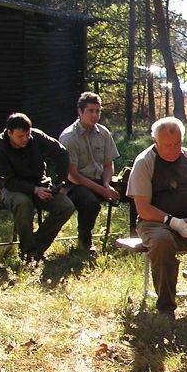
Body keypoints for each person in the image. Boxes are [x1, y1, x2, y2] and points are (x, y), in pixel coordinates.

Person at [126, 117, 187, 316]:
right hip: (155, 222)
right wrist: (174, 222)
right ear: (155, 142)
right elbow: (143, 208)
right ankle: (166, 306)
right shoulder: (145, 162)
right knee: (163, 242)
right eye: (167, 145)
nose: (173, 149)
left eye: (177, 143)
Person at [0, 112, 75, 263]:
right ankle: (29, 253)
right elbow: (8, 181)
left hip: (39, 184)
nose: (25, 139)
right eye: (20, 136)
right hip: (10, 189)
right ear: (9, 133)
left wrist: (61, 183)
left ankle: (36, 246)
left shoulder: (36, 136)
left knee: (65, 206)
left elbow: (62, 154)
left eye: (27, 135)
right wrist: (34, 190)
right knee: (23, 203)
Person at [59, 92, 120, 254]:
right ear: (80, 112)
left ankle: (136, 235)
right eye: (90, 111)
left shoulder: (104, 133)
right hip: (75, 184)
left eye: (98, 111)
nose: (95, 115)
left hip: (99, 179)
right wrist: (102, 191)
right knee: (90, 203)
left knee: (133, 191)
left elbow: (108, 164)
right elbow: (73, 175)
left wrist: (107, 184)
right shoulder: (69, 137)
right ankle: (85, 239)